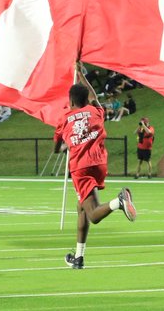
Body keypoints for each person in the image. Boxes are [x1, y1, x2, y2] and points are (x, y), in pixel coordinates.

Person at [55, 75, 136, 269]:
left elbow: (57, 147)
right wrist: (82, 74)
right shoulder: (95, 111)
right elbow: (93, 96)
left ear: (71, 100)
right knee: (81, 207)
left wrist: (65, 145)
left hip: (80, 167)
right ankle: (79, 257)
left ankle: (119, 201)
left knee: (92, 214)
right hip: (99, 163)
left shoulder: (64, 118)